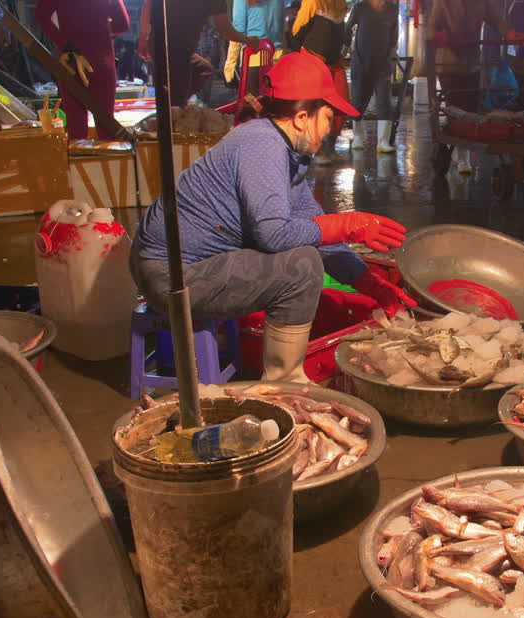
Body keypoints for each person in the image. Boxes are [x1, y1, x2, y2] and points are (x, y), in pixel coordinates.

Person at [129, 51, 415, 383]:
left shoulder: (283, 150)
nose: (330, 130)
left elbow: (317, 231)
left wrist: (372, 286)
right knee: (302, 266)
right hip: (171, 276)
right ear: (302, 117)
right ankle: (284, 382)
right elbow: (274, 236)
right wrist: (346, 224)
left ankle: (283, 375)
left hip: (182, 265)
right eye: (328, 117)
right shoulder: (262, 145)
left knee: (308, 248)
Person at [428, 0, 524, 173]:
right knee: (456, 105)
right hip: (448, 62)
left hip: (472, 61)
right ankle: (461, 156)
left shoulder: (482, 2)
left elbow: (497, 21)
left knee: (470, 107)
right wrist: (437, 36)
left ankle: (463, 154)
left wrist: (511, 34)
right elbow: (432, 25)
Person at [35, 0, 130, 140]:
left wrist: (64, 43)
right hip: (102, 61)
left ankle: (77, 162)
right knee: (107, 128)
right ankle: (108, 161)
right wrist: (100, 25)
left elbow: (40, 16)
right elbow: (122, 24)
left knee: (76, 130)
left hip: (72, 61)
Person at [137, 0, 260, 107]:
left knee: (203, 69)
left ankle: (175, 101)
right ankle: (174, 108)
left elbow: (147, 4)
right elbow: (225, 30)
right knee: (174, 107)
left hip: (167, 44)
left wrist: (144, 37)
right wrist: (249, 41)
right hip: (175, 48)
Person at [289, 0, 351, 165]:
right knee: (315, 107)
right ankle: (318, 150)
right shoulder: (312, 2)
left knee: (341, 103)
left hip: (334, 62)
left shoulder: (341, 4)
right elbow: (297, 32)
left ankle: (330, 147)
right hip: (313, 60)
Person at [346, 0, 398, 153]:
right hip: (361, 62)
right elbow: (347, 28)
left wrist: (391, 59)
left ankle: (383, 142)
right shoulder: (360, 7)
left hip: (383, 64)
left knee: (384, 102)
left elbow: (394, 38)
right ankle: (357, 137)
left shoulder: (392, 9)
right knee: (358, 101)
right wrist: (346, 47)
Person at [225, 0, 286, 90]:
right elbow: (282, 29)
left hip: (253, 59)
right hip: (277, 60)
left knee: (252, 102)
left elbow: (238, 30)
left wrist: (230, 64)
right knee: (273, 101)